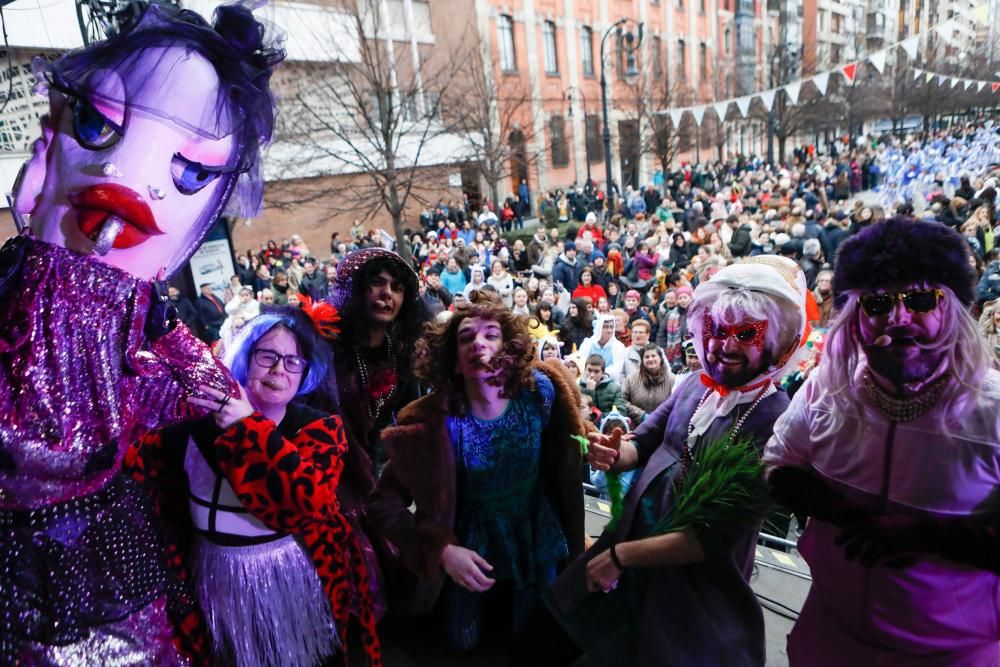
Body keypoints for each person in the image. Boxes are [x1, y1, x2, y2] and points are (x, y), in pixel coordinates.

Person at [0, 4, 283, 661]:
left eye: (189, 171)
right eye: (99, 123)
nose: (127, 180)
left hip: (103, 570)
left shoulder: (143, 327)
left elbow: (215, 401)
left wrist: (175, 336)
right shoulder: (22, 286)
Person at [529, 255, 809, 667]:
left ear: (778, 341)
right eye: (716, 329)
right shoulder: (695, 383)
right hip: (630, 549)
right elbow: (640, 445)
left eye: (746, 333)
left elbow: (710, 537)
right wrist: (612, 452)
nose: (725, 345)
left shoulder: (774, 419)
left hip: (690, 581)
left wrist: (622, 557)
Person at [763, 218, 1000, 666]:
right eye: (877, 303)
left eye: (919, 298)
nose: (899, 317)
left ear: (951, 307)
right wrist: (842, 513)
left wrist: (925, 536)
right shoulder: (824, 391)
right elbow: (778, 464)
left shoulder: (993, 411)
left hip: (953, 652)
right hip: (832, 636)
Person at [126, 308, 381, 666]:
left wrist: (248, 426)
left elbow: (304, 505)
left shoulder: (321, 429)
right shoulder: (190, 430)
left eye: (294, 361)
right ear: (244, 357)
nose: (280, 369)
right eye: (268, 356)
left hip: (295, 585)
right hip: (216, 585)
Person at [368, 291, 587, 649]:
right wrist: (439, 550)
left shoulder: (541, 393)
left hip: (535, 534)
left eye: (491, 334)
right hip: (470, 547)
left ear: (511, 348)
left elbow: (573, 433)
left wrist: (595, 446)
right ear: (454, 362)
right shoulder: (432, 425)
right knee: (463, 639)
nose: (478, 343)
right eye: (466, 338)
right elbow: (383, 504)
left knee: (532, 635)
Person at [315, 247, 427, 618]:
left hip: (374, 468)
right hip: (327, 473)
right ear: (356, 289)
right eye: (376, 283)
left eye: (396, 287)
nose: (387, 294)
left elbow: (409, 420)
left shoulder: (403, 350)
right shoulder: (324, 345)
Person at [621, 343, 674, 425]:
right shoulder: (631, 379)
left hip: (664, 426)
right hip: (638, 426)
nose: (650, 359)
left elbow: (677, 404)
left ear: (660, 358)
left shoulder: (672, 379)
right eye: (647, 357)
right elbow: (621, 400)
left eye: (653, 356)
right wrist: (642, 415)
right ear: (642, 360)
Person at [578, 314, 628, 382]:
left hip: (609, 383)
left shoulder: (618, 346)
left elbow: (617, 369)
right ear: (599, 328)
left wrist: (599, 375)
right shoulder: (587, 344)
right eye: (605, 327)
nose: (609, 330)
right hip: (588, 379)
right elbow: (581, 363)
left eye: (611, 327)